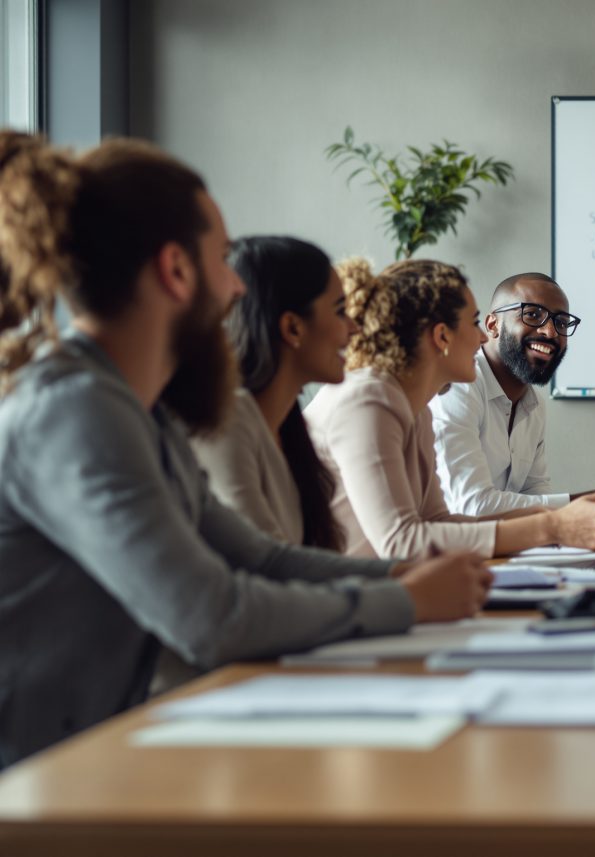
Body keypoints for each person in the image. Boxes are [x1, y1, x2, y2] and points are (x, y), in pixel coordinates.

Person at [0, 134, 489, 769]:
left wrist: (405, 576)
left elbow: (259, 557)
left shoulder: (137, 410)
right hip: (41, 784)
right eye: (224, 259)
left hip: (99, 758)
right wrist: (410, 601)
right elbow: (211, 615)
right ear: (176, 270)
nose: (237, 288)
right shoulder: (75, 412)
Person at [305, 258, 595, 559]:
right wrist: (553, 526)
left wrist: (575, 516)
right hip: (331, 593)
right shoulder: (370, 399)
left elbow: (438, 521)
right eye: (474, 322)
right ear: (442, 336)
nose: (480, 338)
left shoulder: (416, 410)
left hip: (374, 586)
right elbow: (401, 542)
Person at [430, 272, 595, 515]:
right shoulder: (458, 387)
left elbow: (535, 497)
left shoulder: (533, 404)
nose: (551, 332)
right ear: (493, 325)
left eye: (561, 322)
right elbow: (471, 506)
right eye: (533, 314)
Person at [191, 236, 354, 547]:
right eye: (340, 311)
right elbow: (267, 562)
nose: (354, 327)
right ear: (292, 328)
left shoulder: (287, 426)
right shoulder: (228, 424)